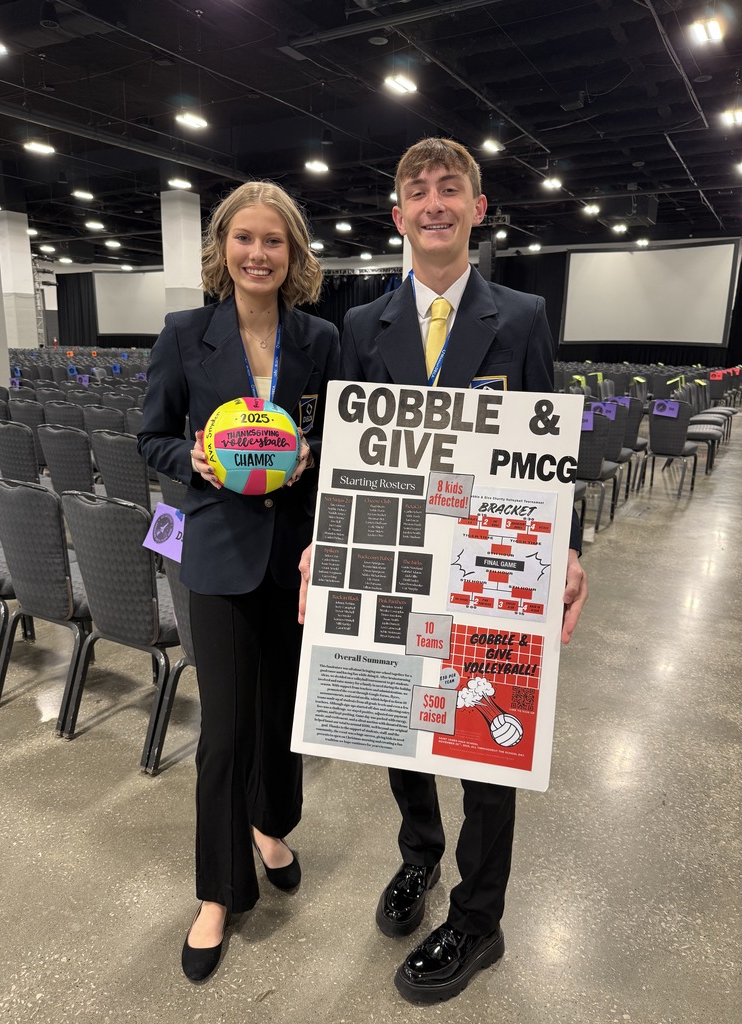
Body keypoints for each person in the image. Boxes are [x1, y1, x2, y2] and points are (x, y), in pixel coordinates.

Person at [298, 137, 587, 1004]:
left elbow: (552, 448)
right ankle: (418, 856)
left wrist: (569, 548)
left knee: (488, 742)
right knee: (401, 726)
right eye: (417, 191)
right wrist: (325, 539)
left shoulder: (524, 318)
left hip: (488, 564)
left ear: (476, 209)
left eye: (449, 188)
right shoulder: (361, 327)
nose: (433, 203)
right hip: (394, 563)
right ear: (397, 216)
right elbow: (346, 455)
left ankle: (479, 918)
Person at [138, 180, 339, 983]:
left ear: (294, 254)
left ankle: (270, 825)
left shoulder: (320, 341)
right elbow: (150, 435)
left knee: (280, 714)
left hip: (293, 552)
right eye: (245, 238)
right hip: (217, 552)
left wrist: (310, 459)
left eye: (275, 241)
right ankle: (218, 892)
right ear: (223, 247)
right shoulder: (186, 334)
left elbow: (337, 438)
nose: (259, 254)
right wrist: (188, 456)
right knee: (222, 730)